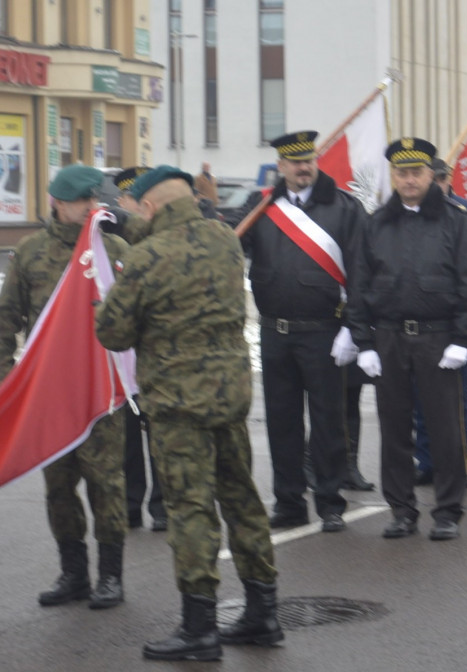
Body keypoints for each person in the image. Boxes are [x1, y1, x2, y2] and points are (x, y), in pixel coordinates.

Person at [96, 166, 281, 661]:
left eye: (136, 207)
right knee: (241, 497)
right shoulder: (222, 237)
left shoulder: (147, 257)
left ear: (150, 207)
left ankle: (199, 627)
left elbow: (112, 332)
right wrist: (126, 227)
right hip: (229, 394)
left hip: (178, 404)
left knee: (189, 509)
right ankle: (265, 612)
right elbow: (175, 240)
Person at [0, 165, 129, 610]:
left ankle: (110, 576)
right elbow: (5, 319)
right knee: (59, 486)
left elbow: (137, 316)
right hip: (50, 395)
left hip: (101, 390)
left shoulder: (113, 249)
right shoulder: (31, 253)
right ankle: (72, 572)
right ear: (58, 202)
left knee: (106, 484)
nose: (94, 207)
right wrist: (7, 380)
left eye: (96, 199)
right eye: (84, 202)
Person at [348, 137, 467, 541]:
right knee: (393, 431)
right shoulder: (375, 224)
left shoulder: (455, 220)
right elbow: (359, 287)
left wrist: (463, 339)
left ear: (431, 175)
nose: (409, 180)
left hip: (438, 339)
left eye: (417, 172)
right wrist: (365, 343)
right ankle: (402, 510)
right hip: (390, 338)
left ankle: (447, 511)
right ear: (393, 176)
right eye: (402, 173)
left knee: (445, 430)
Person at [236, 130, 366, 533]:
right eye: (294, 161)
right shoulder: (261, 209)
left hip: (325, 332)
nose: (303, 167)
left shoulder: (345, 209)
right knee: (282, 422)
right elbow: (233, 252)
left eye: (308, 159)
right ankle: (289, 500)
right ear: (281, 166)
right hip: (275, 332)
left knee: (329, 422)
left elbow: (363, 273)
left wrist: (354, 330)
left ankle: (330, 502)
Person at [411, 157, 467, 488]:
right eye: (432, 178)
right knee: (421, 402)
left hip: (451, 325)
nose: (436, 184)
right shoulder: (407, 215)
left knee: (455, 403)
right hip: (418, 325)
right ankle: (426, 461)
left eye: (441, 178)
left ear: (448, 179)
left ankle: (458, 464)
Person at [112, 167, 167, 532]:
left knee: (160, 435)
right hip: (121, 355)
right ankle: (131, 505)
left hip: (157, 353)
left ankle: (162, 508)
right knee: (128, 436)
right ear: (122, 201)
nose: (136, 208)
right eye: (130, 199)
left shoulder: (163, 240)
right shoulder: (108, 239)